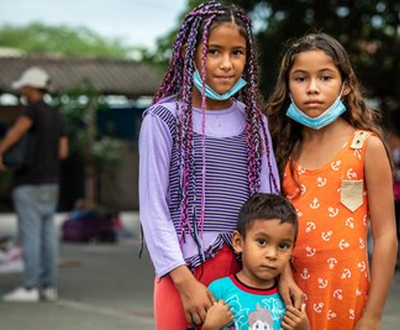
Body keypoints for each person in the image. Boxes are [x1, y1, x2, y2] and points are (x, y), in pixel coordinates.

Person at [138, 1, 280, 329]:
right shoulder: (163, 119)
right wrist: (185, 282)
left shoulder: (254, 123)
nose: (226, 64)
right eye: (213, 51)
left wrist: (278, 273)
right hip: (182, 272)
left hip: (248, 272)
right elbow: (153, 209)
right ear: (189, 52)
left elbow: (268, 205)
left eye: (237, 53)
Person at [266, 32, 398, 329]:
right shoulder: (282, 150)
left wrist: (374, 314)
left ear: (346, 85)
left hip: (348, 295)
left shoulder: (366, 147)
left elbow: (386, 235)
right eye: (300, 79)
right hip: (288, 295)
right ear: (287, 86)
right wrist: (284, 276)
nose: (312, 88)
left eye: (325, 78)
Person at [0, 67, 68, 302]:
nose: (22, 91)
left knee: (30, 236)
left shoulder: (31, 111)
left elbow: (17, 132)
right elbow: (63, 151)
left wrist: (1, 151)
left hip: (29, 182)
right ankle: (49, 287)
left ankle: (29, 287)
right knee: (48, 236)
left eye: (24, 88)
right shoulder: (55, 115)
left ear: (31, 88)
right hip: (51, 183)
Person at [202, 193, 309, 330]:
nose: (272, 255)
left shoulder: (289, 298)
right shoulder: (219, 291)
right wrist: (210, 327)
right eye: (262, 242)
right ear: (238, 242)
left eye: (283, 246)